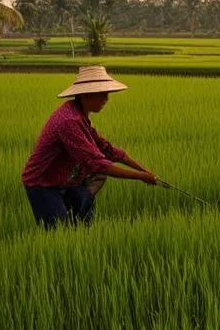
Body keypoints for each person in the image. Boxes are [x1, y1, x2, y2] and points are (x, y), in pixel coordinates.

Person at [21, 65, 158, 228]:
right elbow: (98, 164)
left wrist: (143, 170)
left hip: (67, 178)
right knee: (58, 232)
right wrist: (141, 177)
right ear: (86, 95)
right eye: (102, 94)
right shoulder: (69, 121)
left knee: (81, 223)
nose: (107, 99)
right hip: (43, 183)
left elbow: (107, 149)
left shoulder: (79, 114)